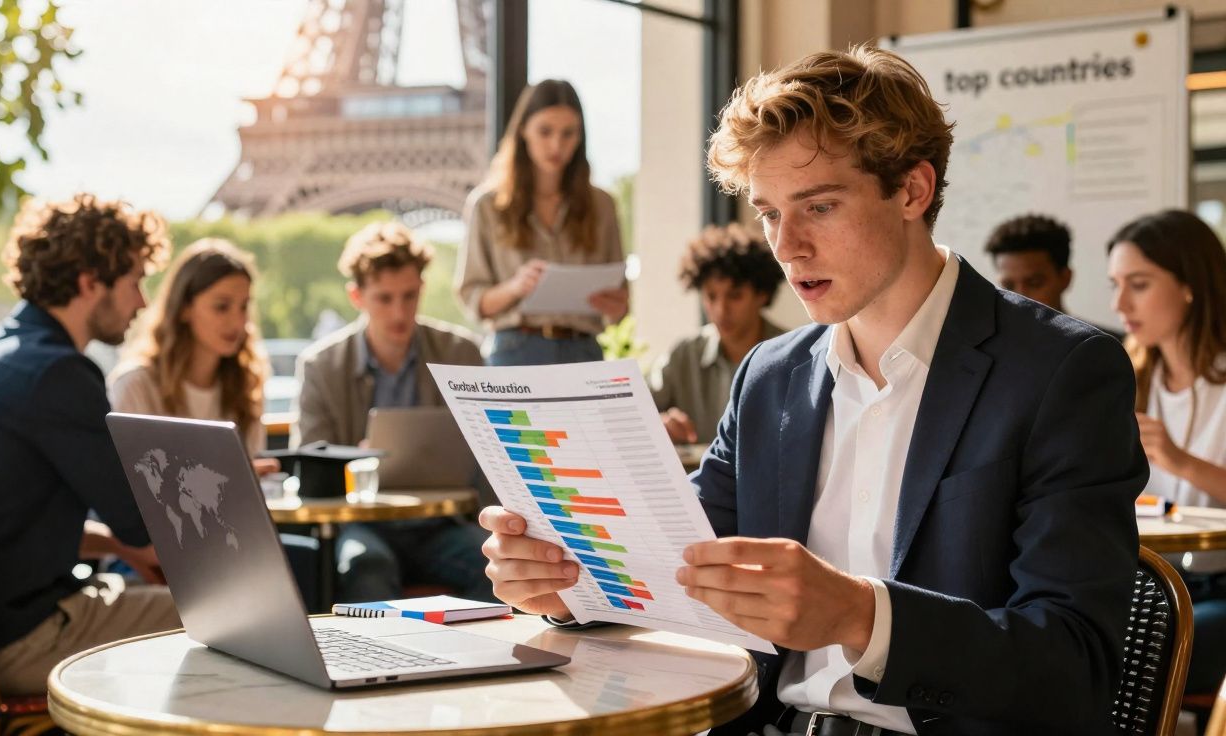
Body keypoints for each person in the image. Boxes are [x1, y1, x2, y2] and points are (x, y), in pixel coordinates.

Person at [477, 46, 1145, 735]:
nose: (786, 246)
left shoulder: (1061, 370)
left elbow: (1076, 669)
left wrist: (862, 617)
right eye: (767, 213)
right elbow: (675, 568)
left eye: (818, 207)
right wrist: (568, 586)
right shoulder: (769, 376)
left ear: (913, 191)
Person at [0, 194, 181, 696]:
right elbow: (146, 526)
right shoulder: (58, 373)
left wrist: (121, 546)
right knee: (221, 623)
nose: (143, 302)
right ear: (89, 282)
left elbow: (9, 528)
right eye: (135, 282)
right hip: (17, 643)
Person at [294, 221, 492, 602]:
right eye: (384, 298)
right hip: (362, 525)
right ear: (357, 296)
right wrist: (354, 460)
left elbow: (490, 451)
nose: (400, 312)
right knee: (368, 567)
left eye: (409, 296)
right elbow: (310, 460)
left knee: (494, 564)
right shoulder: (320, 365)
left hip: (441, 524)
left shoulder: (462, 353)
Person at [1107, 209, 1226, 697]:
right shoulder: (1127, 378)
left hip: (1217, 587)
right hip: (1150, 580)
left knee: (1136, 652)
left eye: (1138, 284)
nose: (1119, 304)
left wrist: (1180, 462)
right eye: (1115, 283)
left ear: (1189, 285)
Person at [456, 79, 629, 366]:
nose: (556, 145)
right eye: (545, 131)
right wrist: (516, 287)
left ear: (580, 137)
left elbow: (619, 308)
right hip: (515, 351)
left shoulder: (602, 206)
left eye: (568, 133)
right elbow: (474, 301)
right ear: (523, 130)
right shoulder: (487, 205)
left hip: (583, 353)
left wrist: (616, 305)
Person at [109, 238, 272, 462]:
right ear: (184, 308)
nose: (238, 322)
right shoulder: (135, 386)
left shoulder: (247, 385)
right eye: (221, 307)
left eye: (244, 306)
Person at [651, 223, 784, 445]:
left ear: (762, 294)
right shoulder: (683, 355)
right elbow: (638, 414)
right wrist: (659, 423)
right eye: (711, 297)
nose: (721, 310)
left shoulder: (796, 355)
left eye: (735, 296)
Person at [985, 213, 1122, 338]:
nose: (1018, 298)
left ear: (1065, 279)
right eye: (1007, 286)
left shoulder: (1113, 349)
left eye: (1034, 283)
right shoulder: (976, 350)